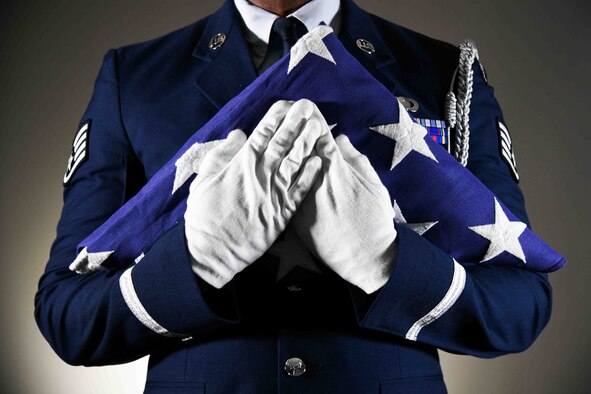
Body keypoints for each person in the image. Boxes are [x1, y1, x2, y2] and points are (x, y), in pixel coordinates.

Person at [35, 0, 552, 393]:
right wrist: (196, 260)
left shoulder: (443, 70)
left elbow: (520, 301)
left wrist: (388, 262)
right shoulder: (136, 77)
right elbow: (67, 311)